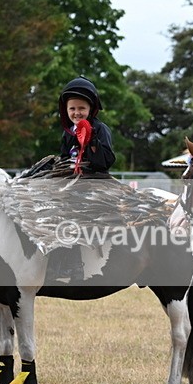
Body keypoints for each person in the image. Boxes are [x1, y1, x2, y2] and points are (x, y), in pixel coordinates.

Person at [49, 76, 116, 282]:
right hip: (71, 181)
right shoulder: (68, 132)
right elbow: (63, 158)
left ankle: (74, 264)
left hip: (95, 182)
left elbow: (105, 161)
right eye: (72, 109)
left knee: (71, 209)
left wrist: (92, 142)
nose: (77, 113)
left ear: (91, 109)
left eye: (81, 108)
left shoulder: (100, 130)